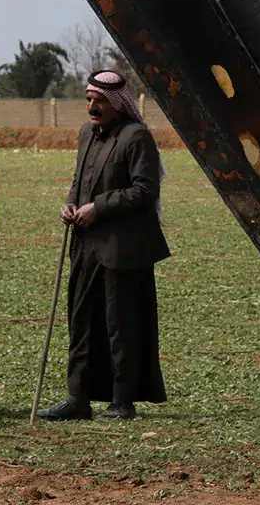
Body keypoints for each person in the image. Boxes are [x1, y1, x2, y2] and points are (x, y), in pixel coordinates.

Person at [38, 70, 170, 421]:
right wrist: (70, 204)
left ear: (116, 103)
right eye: (88, 99)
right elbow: (80, 182)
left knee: (120, 324)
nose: (91, 107)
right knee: (81, 320)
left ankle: (122, 401)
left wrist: (99, 207)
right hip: (84, 246)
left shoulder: (136, 136)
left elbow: (145, 191)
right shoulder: (86, 134)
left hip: (123, 249)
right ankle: (77, 399)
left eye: (98, 101)